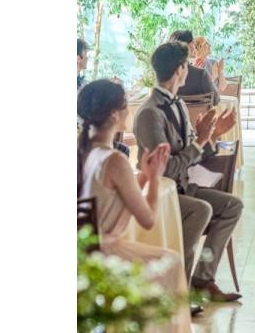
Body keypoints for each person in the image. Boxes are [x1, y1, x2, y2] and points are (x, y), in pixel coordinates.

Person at [78, 79, 191, 332]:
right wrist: (155, 178)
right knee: (171, 262)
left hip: (82, 250)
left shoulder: (83, 151)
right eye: (125, 106)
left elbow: (114, 196)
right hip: (103, 255)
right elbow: (148, 219)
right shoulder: (114, 160)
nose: (129, 111)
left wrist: (144, 176)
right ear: (114, 114)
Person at [133, 42, 243, 303]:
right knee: (201, 209)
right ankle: (178, 290)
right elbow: (166, 169)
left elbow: (195, 153)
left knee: (232, 205)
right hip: (161, 192)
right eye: (187, 65)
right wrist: (200, 141)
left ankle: (202, 280)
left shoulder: (180, 105)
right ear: (180, 70)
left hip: (183, 187)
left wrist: (213, 135)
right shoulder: (149, 113)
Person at [169, 30, 220, 105]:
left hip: (175, 112)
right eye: (193, 43)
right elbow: (216, 100)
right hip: (199, 112)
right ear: (189, 46)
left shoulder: (165, 76)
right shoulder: (201, 74)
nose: (195, 47)